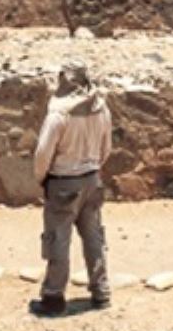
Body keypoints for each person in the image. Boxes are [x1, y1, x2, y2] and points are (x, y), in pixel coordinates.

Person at [30, 61, 113, 315]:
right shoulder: (101, 109)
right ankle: (101, 291)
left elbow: (43, 153)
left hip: (63, 181)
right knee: (94, 237)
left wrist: (42, 179)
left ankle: (54, 295)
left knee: (58, 240)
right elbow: (106, 148)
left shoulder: (58, 114)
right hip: (91, 179)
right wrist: (94, 167)